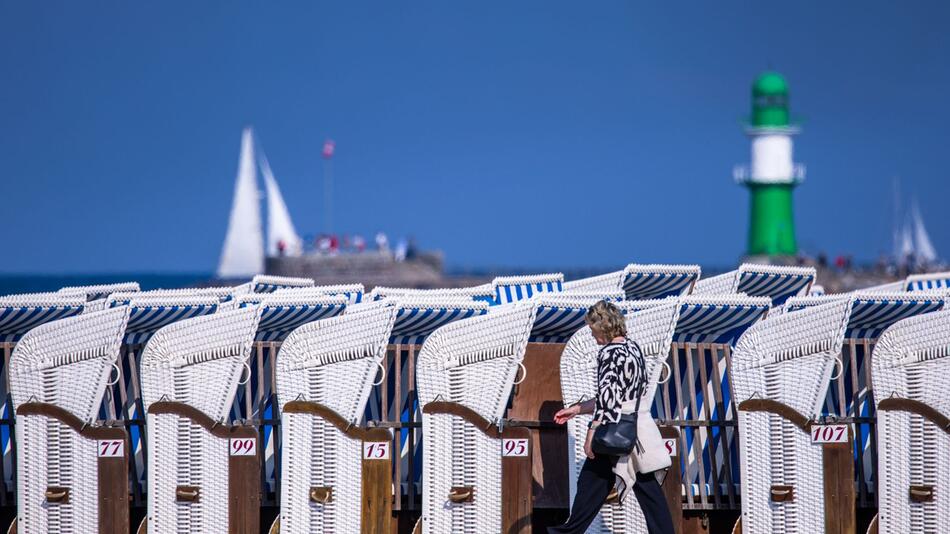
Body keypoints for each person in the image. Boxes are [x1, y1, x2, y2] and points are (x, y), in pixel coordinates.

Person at [550, 300, 674, 534]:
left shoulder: (608, 353)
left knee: (590, 489)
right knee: (649, 494)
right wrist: (576, 409)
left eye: (592, 329)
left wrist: (590, 435)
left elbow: (608, 401)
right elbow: (627, 394)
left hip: (612, 432)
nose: (592, 335)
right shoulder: (634, 348)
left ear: (603, 327)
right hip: (637, 430)